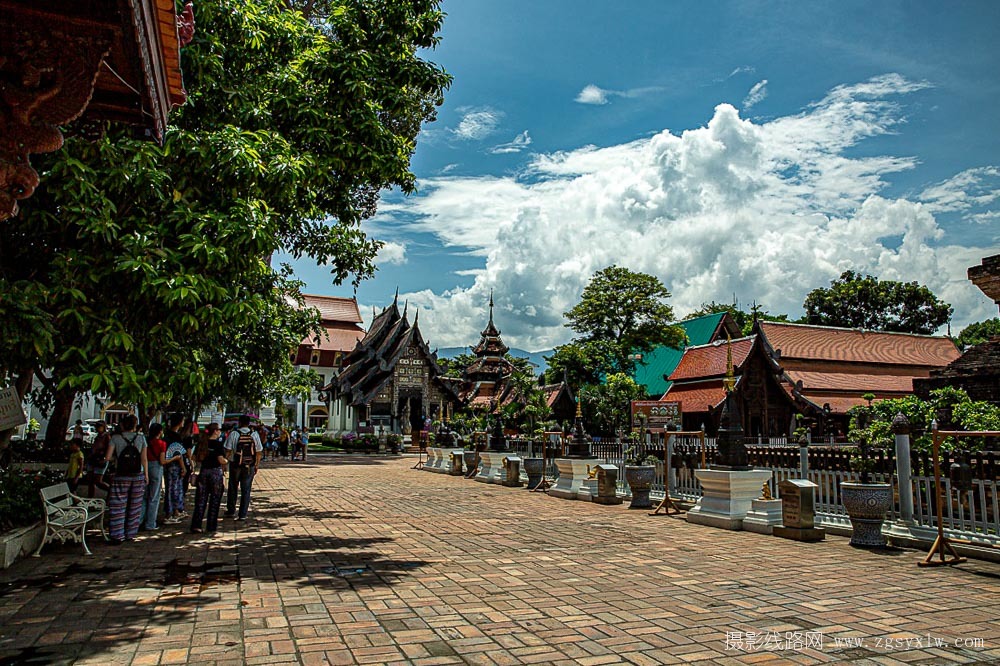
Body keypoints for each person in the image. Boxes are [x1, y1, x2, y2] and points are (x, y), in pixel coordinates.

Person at [105, 414, 148, 543]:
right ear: (135, 426)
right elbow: (144, 459)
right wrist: (146, 474)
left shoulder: (115, 438)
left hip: (121, 475)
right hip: (137, 475)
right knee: (135, 506)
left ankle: (117, 534)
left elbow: (107, 457)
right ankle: (131, 533)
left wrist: (117, 459)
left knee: (118, 505)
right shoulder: (141, 438)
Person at [224, 415, 262, 521]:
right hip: (249, 465)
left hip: (235, 464)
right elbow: (259, 451)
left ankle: (231, 510)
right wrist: (257, 464)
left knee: (233, 488)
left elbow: (228, 450)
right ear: (249, 423)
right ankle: (243, 514)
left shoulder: (234, 434)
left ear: (239, 422)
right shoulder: (254, 434)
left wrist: (224, 463)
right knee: (246, 490)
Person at [190, 423, 226, 534]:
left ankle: (196, 525)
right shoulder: (218, 444)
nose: (220, 431)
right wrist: (226, 461)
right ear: (215, 431)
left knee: (201, 500)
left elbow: (193, 457)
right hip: (215, 473)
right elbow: (221, 460)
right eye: (219, 430)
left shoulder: (202, 443)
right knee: (215, 500)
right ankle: (211, 525)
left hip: (204, 472)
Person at [163, 414, 188, 523]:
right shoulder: (176, 437)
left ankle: (174, 511)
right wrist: (183, 467)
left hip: (167, 464)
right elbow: (179, 454)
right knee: (175, 489)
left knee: (170, 488)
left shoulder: (166, 434)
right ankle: (173, 512)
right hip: (175, 465)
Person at [143, 423, 167, 530]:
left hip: (145, 466)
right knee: (154, 497)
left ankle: (139, 520)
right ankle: (150, 523)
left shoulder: (146, 441)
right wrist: (174, 458)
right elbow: (162, 461)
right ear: (159, 432)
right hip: (156, 468)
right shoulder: (162, 444)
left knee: (144, 496)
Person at [85, 421, 111, 497]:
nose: (98, 428)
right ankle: (90, 498)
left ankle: (110, 491)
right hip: (93, 459)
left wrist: (105, 458)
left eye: (99, 427)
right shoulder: (97, 436)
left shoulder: (106, 436)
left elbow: (109, 448)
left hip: (101, 459)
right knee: (90, 481)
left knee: (98, 481)